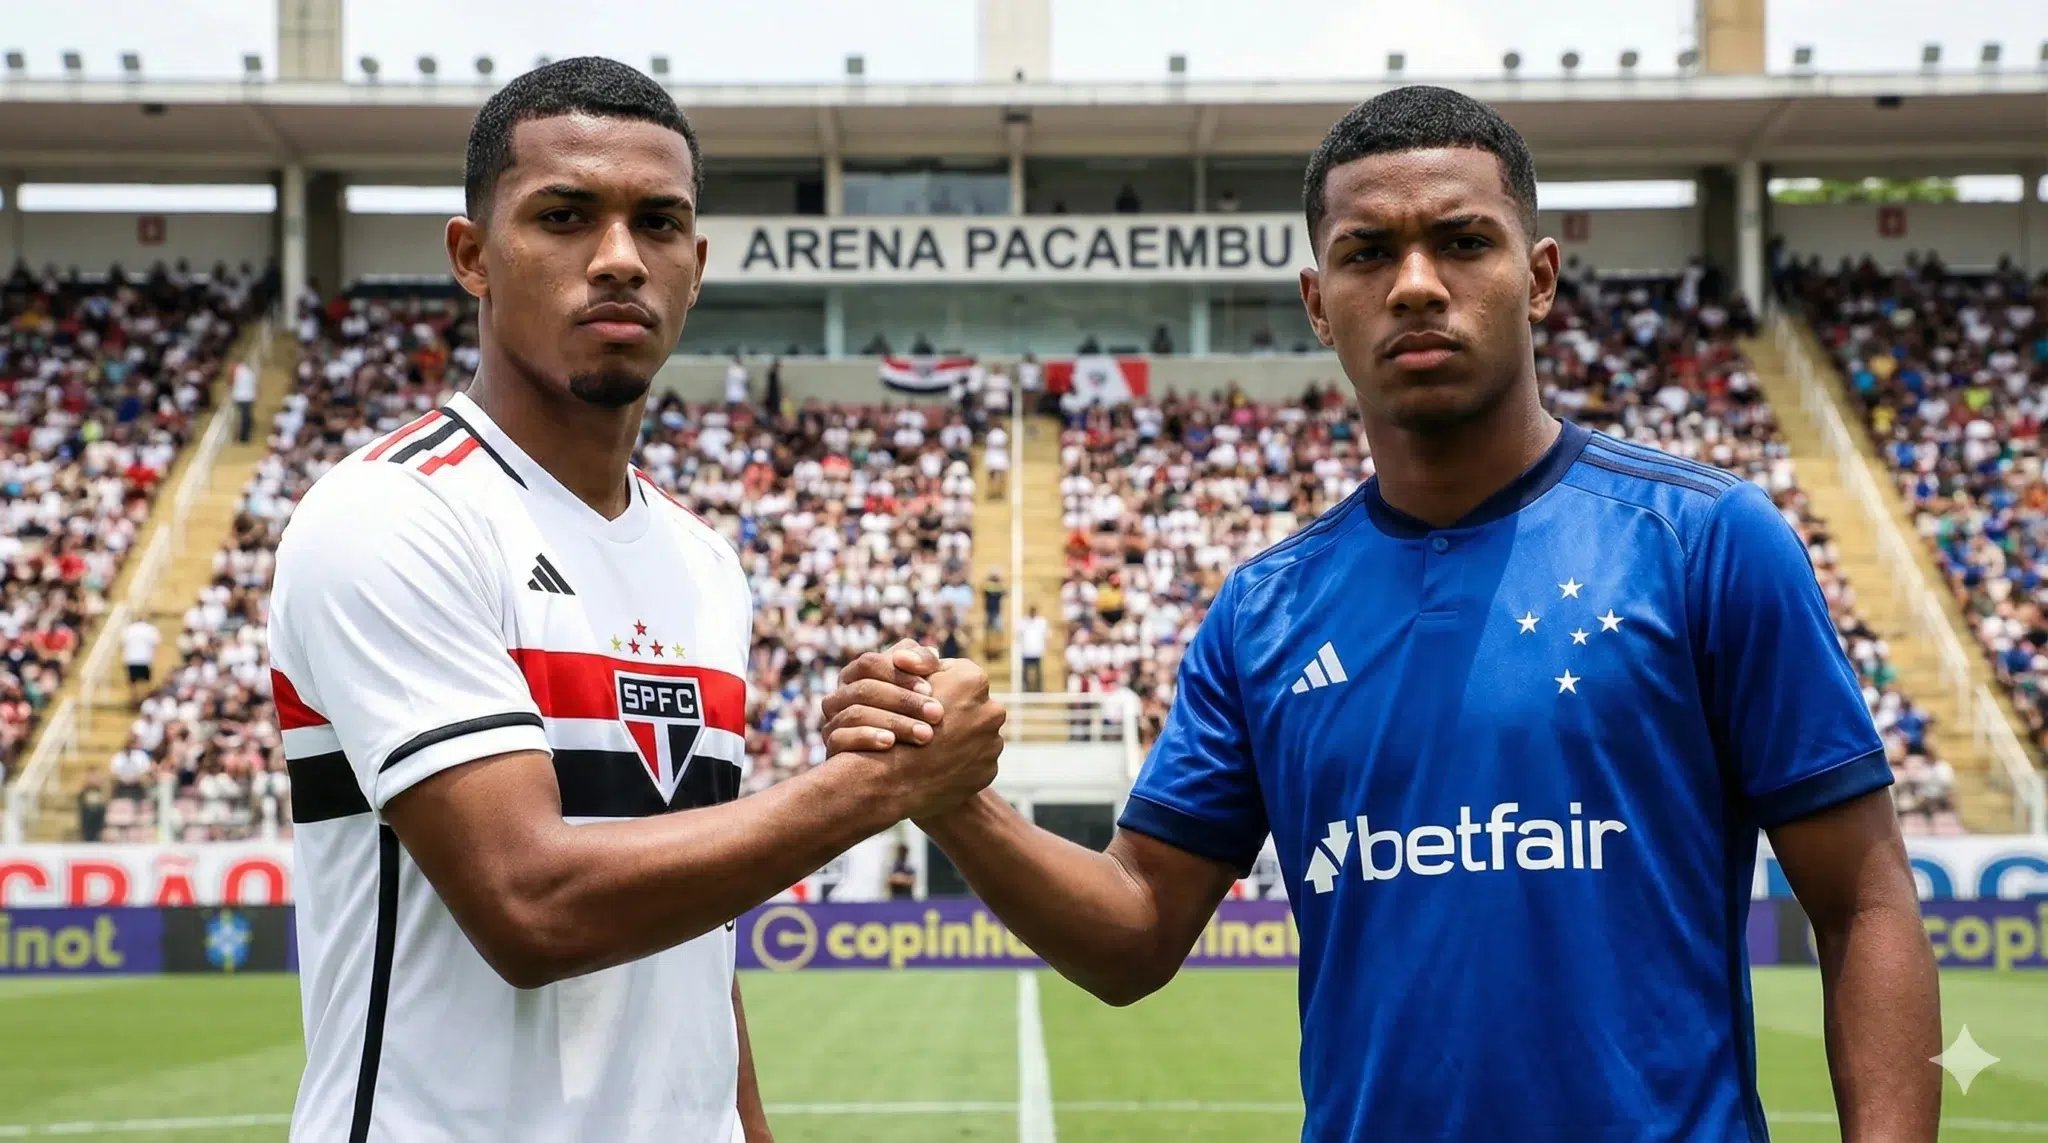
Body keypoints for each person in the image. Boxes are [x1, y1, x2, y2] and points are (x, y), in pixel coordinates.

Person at [825, 86, 1940, 1141]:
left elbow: (1864, 902)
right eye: (1365, 253)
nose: (1414, 284)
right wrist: (954, 802)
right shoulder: (1262, 612)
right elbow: (1132, 934)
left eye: (1461, 242)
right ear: (1318, 302)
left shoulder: (1705, 543)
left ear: (1538, 276)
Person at [267, 58, 1006, 1143]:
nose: (618, 258)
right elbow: (531, 907)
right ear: (472, 256)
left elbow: (690, 925)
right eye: (564, 216)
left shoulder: (703, 562)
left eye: (657, 223)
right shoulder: (391, 514)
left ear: (694, 267)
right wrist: (874, 789)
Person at [120, 616, 160, 705]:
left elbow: (122, 643)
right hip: (145, 658)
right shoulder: (150, 629)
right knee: (145, 681)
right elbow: (156, 642)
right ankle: (144, 699)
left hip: (131, 659)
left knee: (133, 682)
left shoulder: (128, 629)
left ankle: (136, 699)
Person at [231, 355, 260, 444]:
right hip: (249, 397)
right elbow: (256, 386)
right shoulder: (250, 372)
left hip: (240, 397)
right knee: (246, 417)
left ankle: (241, 437)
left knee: (241, 418)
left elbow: (230, 380)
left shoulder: (236, 370)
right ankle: (245, 437)